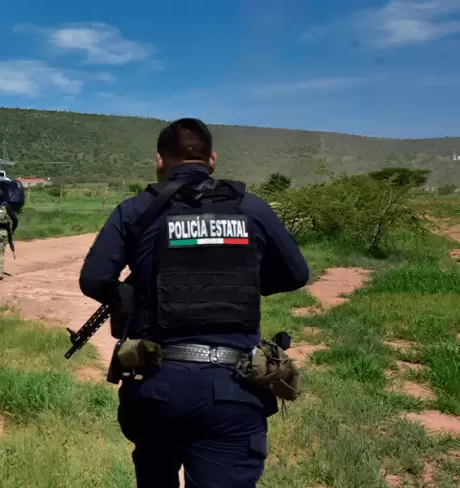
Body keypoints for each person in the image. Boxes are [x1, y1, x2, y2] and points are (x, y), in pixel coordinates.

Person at [78, 118, 309, 487]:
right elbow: (297, 273)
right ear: (212, 160)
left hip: (156, 388)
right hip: (235, 389)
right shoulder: (252, 209)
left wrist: (138, 296)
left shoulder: (135, 210)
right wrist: (239, 282)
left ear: (159, 161)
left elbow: (93, 280)